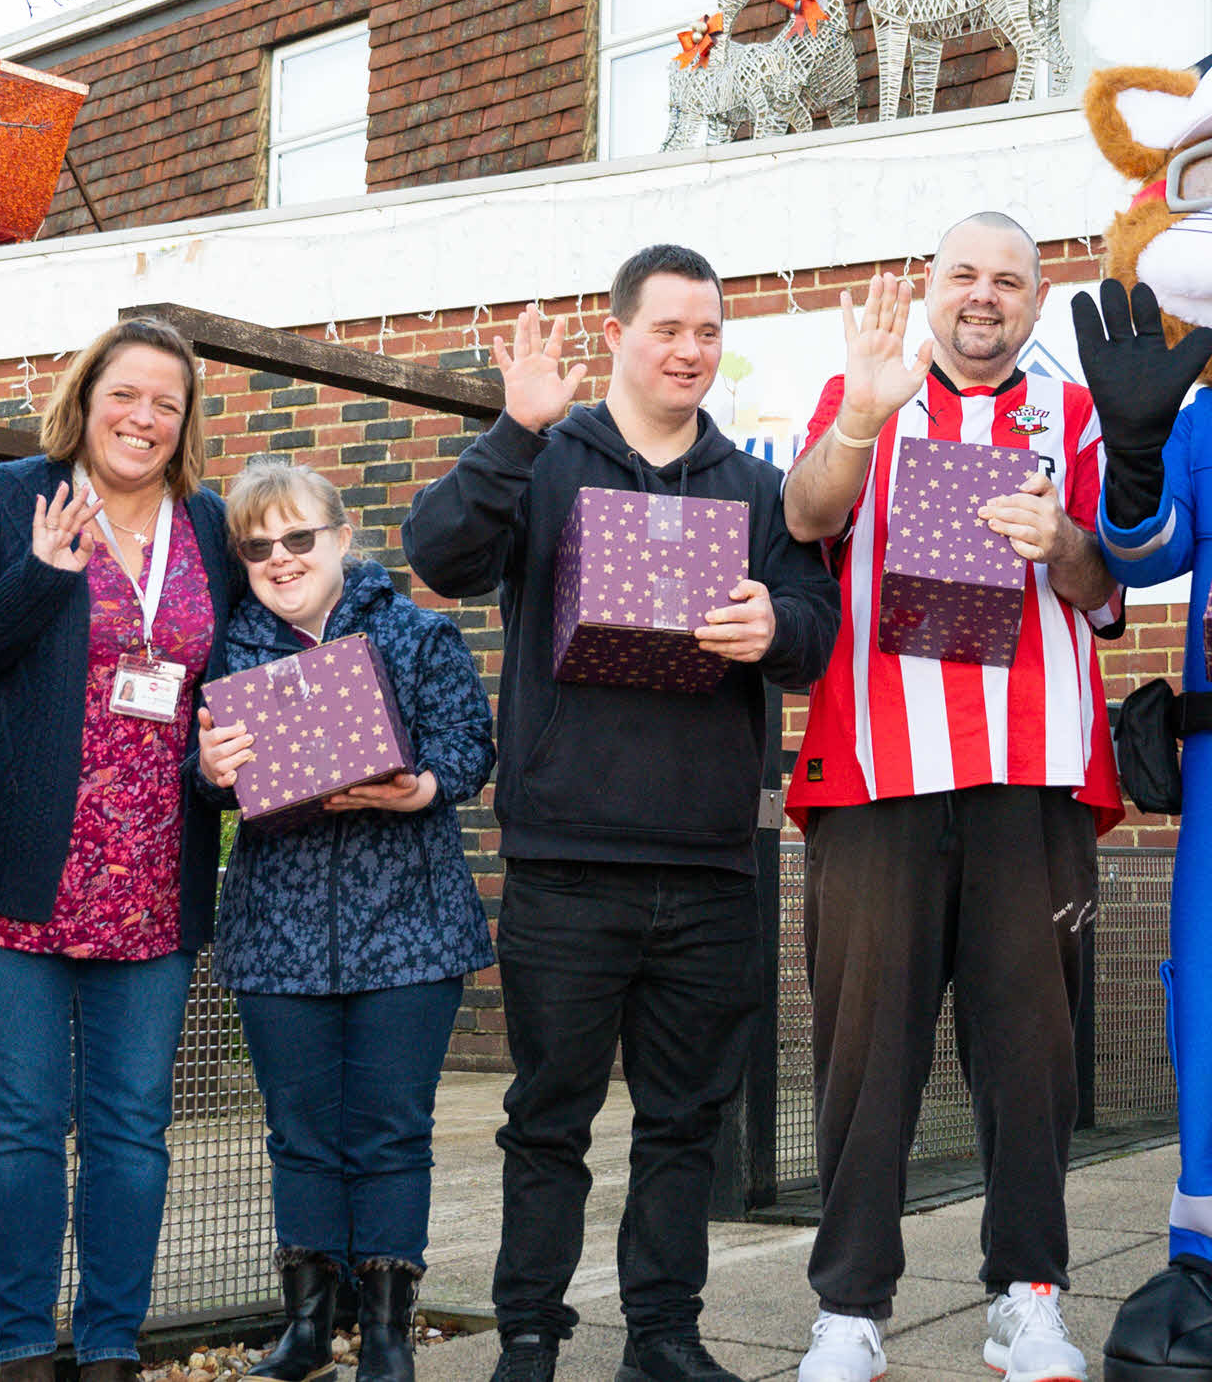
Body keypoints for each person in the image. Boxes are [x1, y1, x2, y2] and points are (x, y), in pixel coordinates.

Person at [402, 245, 840, 1382]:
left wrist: (776, 631)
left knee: (685, 1124)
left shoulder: (753, 488)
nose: (690, 351)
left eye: (708, 332)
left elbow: (814, 621)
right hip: (567, 858)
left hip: (709, 861)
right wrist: (513, 431)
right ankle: (532, 1338)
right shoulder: (545, 465)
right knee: (547, 1121)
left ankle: (664, 1337)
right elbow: (439, 555)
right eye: (669, 330)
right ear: (617, 335)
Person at [777, 214, 1125, 1382]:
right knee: (866, 1051)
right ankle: (850, 1310)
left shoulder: (1072, 414)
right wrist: (862, 421)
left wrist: (1062, 539)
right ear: (932, 290)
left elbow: (1106, 585)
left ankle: (1026, 1298)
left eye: (1009, 281)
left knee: (1032, 1053)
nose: (986, 296)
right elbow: (810, 517)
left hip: (1032, 773)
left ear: (1038, 298)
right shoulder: (861, 388)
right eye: (965, 276)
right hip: (880, 769)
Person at [0, 319, 240, 1382]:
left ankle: (108, 1344)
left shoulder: (208, 524)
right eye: (126, 396)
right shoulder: (13, 502)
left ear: (185, 423)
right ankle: (22, 1347)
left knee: (132, 1129)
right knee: (20, 1120)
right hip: (16, 868)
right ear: (86, 396)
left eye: (166, 403)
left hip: (153, 876)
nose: (143, 418)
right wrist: (42, 579)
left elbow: (229, 677)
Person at [193, 459, 498, 1382]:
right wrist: (206, 772)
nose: (280, 559)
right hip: (277, 931)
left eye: (298, 538)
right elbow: (192, 786)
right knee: (301, 1134)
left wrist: (422, 787)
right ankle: (307, 1331)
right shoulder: (225, 652)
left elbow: (469, 748)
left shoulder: (418, 635)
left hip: (409, 926)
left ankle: (390, 1334)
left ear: (340, 537)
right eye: (258, 547)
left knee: (390, 1132)